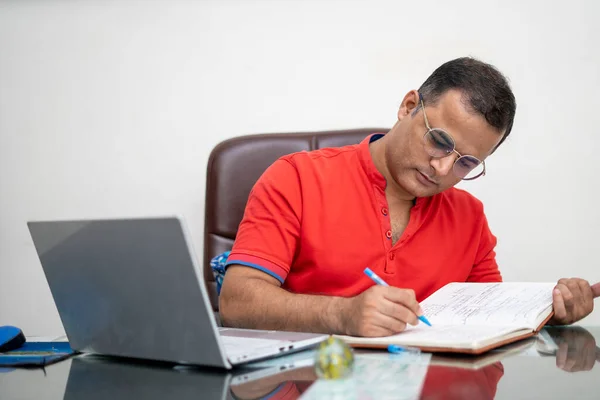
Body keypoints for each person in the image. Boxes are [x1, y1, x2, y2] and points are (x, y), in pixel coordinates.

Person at [219, 57, 600, 337]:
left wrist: (554, 313)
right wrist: (341, 314)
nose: (441, 169)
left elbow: (490, 319)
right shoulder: (297, 177)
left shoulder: (469, 216)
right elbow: (237, 302)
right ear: (407, 107)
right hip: (306, 384)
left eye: (465, 163)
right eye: (439, 141)